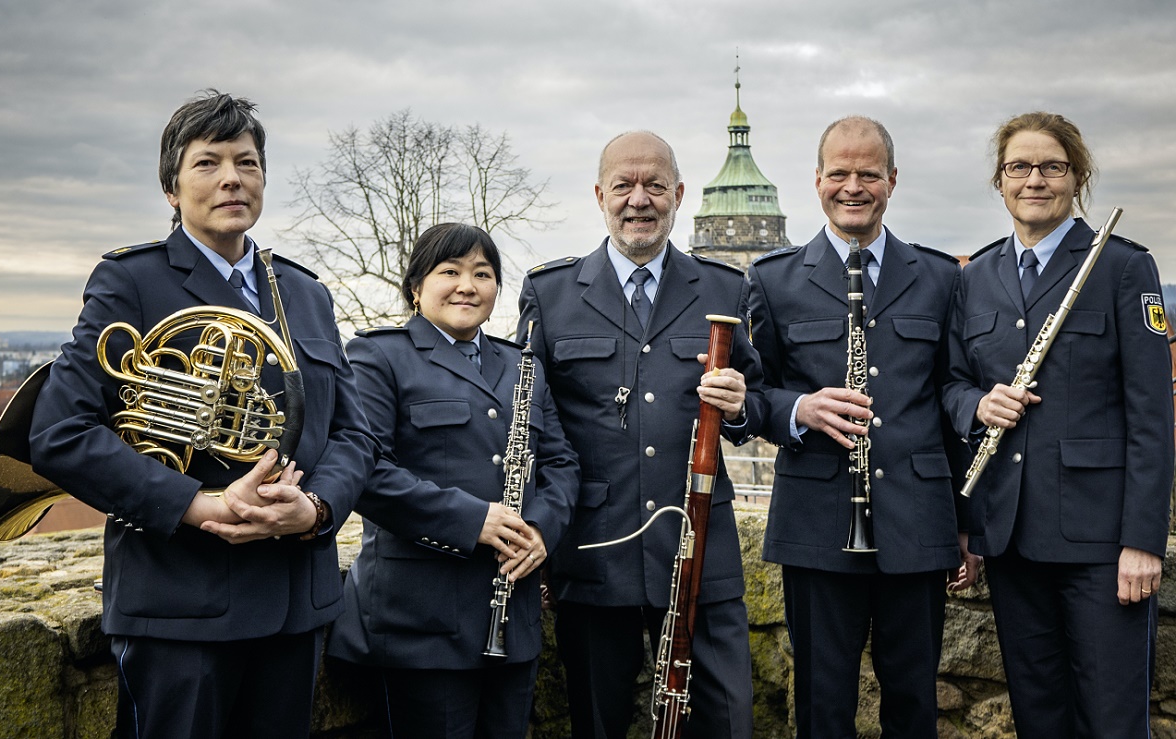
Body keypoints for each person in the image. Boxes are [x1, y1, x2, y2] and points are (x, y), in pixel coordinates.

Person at [28, 90, 377, 738]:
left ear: (264, 178)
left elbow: (355, 432)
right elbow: (60, 433)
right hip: (180, 608)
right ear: (171, 188)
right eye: (208, 163)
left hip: (294, 602)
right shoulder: (131, 280)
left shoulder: (305, 291)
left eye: (246, 163)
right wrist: (199, 504)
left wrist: (319, 508)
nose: (231, 179)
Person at [516, 130, 762, 739]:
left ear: (678, 194)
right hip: (595, 552)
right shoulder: (549, 294)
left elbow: (757, 405)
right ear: (600, 194)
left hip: (703, 547)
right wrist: (540, 531)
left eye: (655, 185)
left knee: (727, 720)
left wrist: (739, 408)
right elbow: (530, 427)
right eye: (624, 184)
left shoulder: (725, 288)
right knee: (598, 724)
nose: (639, 199)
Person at [942, 111, 1172, 738]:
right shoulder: (977, 276)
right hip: (1012, 539)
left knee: (1113, 720)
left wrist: (1143, 540)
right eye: (1019, 167)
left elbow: (1153, 415)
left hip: (1101, 545)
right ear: (1001, 180)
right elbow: (953, 387)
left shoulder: (1123, 267)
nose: (1034, 179)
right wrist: (977, 406)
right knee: (1039, 716)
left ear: (1077, 177)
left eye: (1052, 167)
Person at [747, 115, 979, 737]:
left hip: (919, 521)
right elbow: (750, 396)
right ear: (817, 180)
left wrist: (965, 522)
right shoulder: (772, 280)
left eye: (869, 174)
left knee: (914, 704)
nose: (854, 186)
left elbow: (952, 398)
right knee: (823, 707)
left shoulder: (939, 277)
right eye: (840, 173)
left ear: (892, 181)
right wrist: (800, 409)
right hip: (817, 525)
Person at [326, 222, 579, 739]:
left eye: (482, 274)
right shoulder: (379, 356)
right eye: (450, 271)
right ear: (416, 287)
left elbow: (561, 464)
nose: (468, 285)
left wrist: (541, 531)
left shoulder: (520, 363)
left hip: (513, 617)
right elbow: (366, 470)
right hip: (418, 623)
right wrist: (474, 520)